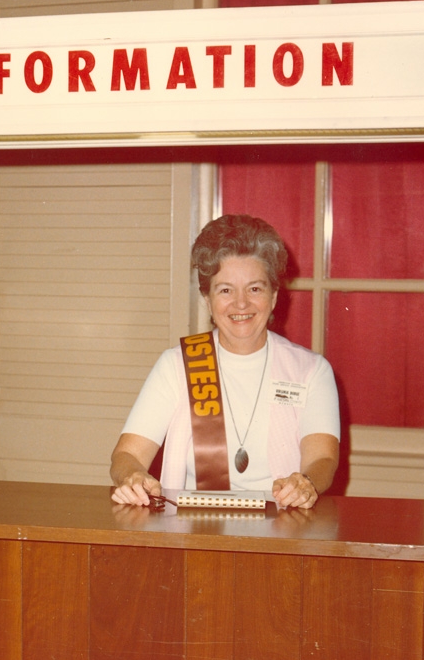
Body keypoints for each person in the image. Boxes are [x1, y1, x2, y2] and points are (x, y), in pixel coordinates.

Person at [109, 214, 339, 509]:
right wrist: (132, 476)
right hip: (196, 527)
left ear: (273, 296)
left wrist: (306, 482)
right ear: (207, 299)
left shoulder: (311, 370)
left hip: (285, 524)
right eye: (226, 290)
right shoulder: (177, 365)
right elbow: (126, 456)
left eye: (254, 289)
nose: (241, 303)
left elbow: (323, 459)